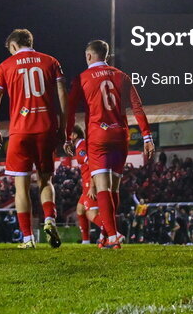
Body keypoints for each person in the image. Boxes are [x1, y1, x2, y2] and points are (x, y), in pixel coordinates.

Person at [64, 39, 156, 249]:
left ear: (89, 56)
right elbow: (137, 107)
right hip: (120, 136)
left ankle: (113, 235)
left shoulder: (82, 78)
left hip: (99, 137)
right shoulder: (121, 76)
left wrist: (67, 134)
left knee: (104, 188)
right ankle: (107, 236)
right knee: (113, 190)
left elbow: (70, 109)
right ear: (106, 55)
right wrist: (147, 137)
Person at [0, 28, 68, 249]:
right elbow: (62, 95)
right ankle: (50, 220)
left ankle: (27, 239)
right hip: (46, 128)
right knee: (46, 180)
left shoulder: (5, 65)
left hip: (20, 131)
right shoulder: (51, 61)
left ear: (13, 46)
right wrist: (63, 126)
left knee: (21, 187)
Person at [68, 125, 100, 244]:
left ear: (75, 135)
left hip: (90, 183)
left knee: (91, 214)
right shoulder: (79, 146)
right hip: (86, 183)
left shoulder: (81, 147)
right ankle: (86, 241)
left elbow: (92, 163)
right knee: (80, 210)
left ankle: (113, 233)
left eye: (69, 135)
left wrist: (92, 186)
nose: (67, 138)